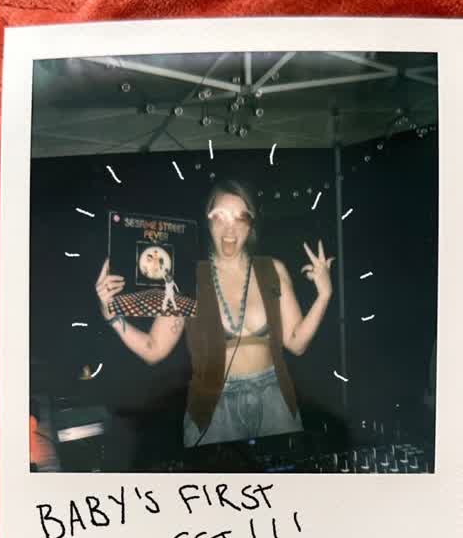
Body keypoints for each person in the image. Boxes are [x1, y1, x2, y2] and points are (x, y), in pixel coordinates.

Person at [96, 179, 334, 447]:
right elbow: (154, 350)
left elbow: (297, 343)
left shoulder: (273, 270)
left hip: (275, 398)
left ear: (251, 224)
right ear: (207, 222)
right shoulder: (187, 278)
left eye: (240, 218)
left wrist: (324, 295)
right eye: (219, 217)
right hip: (213, 407)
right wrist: (112, 314)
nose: (230, 228)